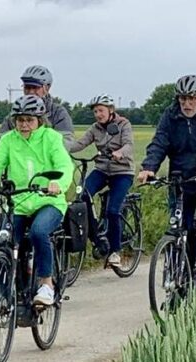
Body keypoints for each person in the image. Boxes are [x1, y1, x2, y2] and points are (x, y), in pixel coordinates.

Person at [0, 95, 74, 305]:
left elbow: (64, 166)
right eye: (20, 120)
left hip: (48, 201)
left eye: (29, 120)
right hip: (19, 202)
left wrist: (58, 184)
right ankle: (7, 291)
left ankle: (46, 284)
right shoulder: (9, 140)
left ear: (39, 120)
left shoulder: (51, 138)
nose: (24, 125)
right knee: (5, 239)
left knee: (39, 232)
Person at [136, 75, 196, 278]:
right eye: (182, 99)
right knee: (180, 225)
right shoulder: (170, 116)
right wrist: (149, 167)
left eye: (191, 99)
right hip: (181, 177)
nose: (186, 104)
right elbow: (160, 142)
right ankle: (183, 277)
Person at [69, 94, 134, 268]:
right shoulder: (95, 128)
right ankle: (96, 236)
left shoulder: (123, 124)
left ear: (111, 110)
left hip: (122, 171)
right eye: (95, 111)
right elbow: (80, 144)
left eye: (101, 110)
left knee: (113, 210)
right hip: (102, 170)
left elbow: (129, 144)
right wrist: (60, 148)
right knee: (82, 196)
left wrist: (120, 152)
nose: (98, 114)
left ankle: (115, 251)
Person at [0, 65, 74, 160]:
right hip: (20, 163)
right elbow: (1, 138)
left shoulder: (58, 112)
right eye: (27, 87)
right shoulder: (17, 112)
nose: (31, 92)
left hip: (49, 165)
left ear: (47, 88)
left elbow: (66, 142)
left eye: (35, 88)